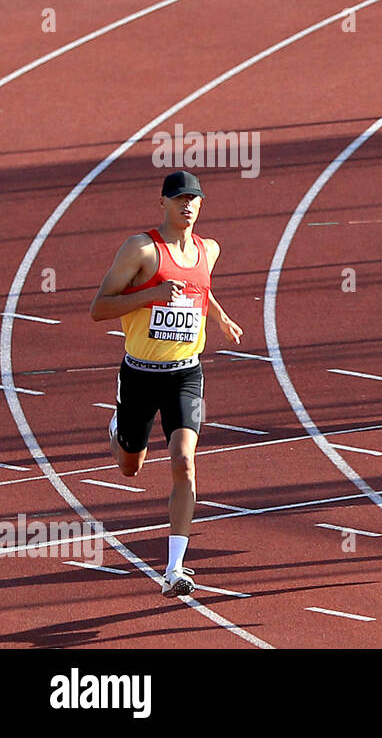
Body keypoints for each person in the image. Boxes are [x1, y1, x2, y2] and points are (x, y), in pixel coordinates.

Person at [89, 170, 243, 598]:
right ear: (163, 203)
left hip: (185, 373)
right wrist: (150, 296)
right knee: (130, 466)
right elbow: (98, 307)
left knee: (183, 460)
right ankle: (119, 429)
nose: (187, 205)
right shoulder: (140, 248)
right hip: (139, 374)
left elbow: (198, 289)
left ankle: (174, 568)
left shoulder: (208, 249)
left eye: (193, 199)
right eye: (178, 199)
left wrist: (221, 317)